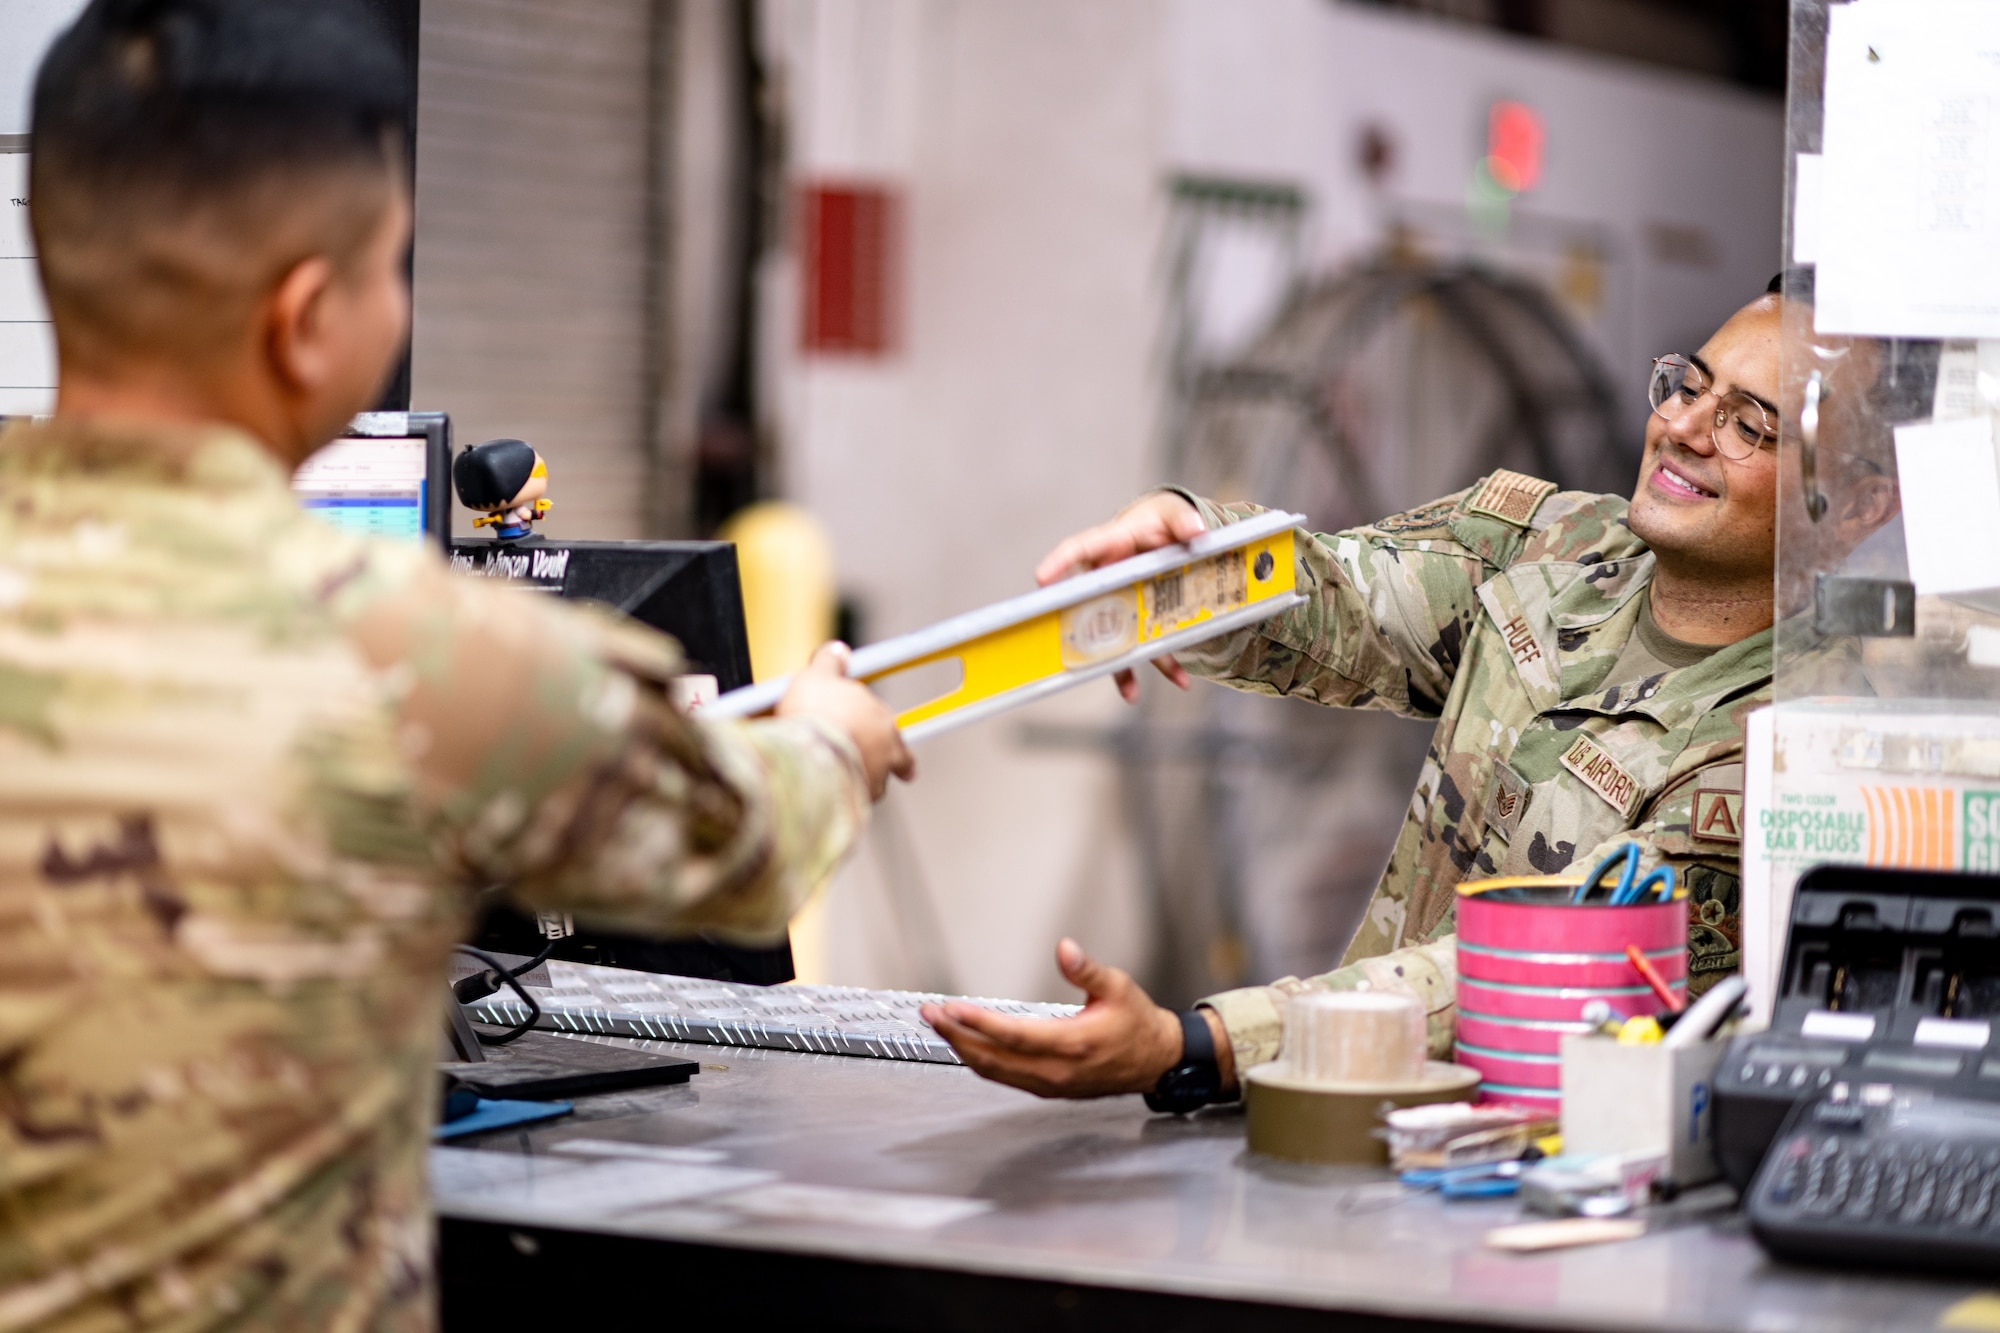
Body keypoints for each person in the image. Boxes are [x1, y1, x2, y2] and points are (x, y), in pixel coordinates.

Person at [0, 1, 912, 1327]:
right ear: (308, 319)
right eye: (391, 269)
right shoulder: (404, 650)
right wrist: (832, 729)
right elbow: (744, 841)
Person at [922, 281, 1898, 1108]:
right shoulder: (1552, 546)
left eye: (1745, 425)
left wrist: (1200, 1046)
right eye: (1685, 385)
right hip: (1361, 1128)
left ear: (1855, 506)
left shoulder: (1784, 754)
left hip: (1536, 1190)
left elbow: (1529, 970)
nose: (1681, 428)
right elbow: (1349, 596)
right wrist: (1185, 564)